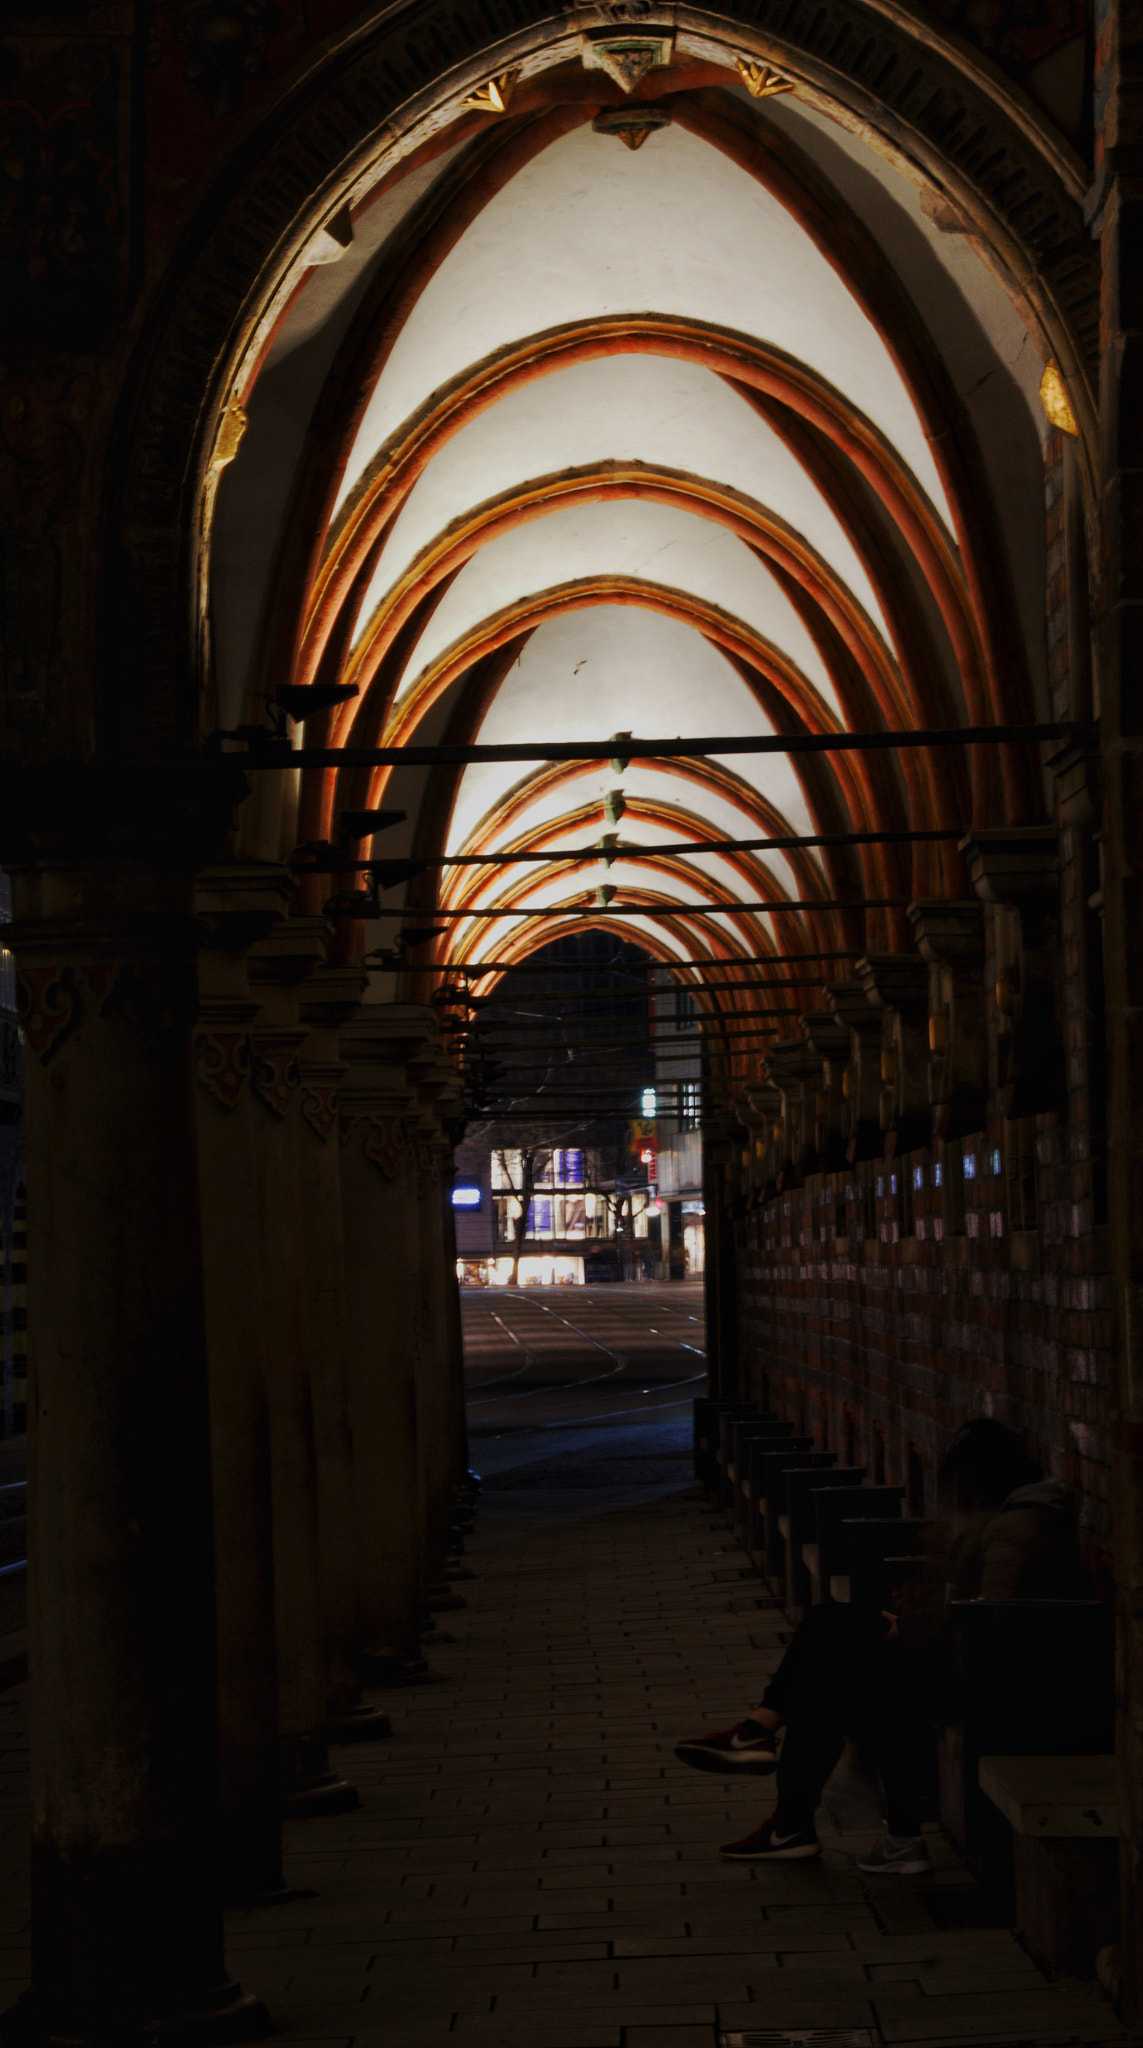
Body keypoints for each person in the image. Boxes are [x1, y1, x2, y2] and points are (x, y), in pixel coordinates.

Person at [675, 1418, 1083, 1874]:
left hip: (1009, 1689)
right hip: (985, 1671)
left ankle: (772, 1765)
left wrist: (909, 1627)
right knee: (830, 1633)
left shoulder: (1023, 1524)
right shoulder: (1008, 1517)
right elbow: (973, 1604)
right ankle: (789, 1787)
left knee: (833, 1665)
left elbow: (996, 1622)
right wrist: (918, 1600)